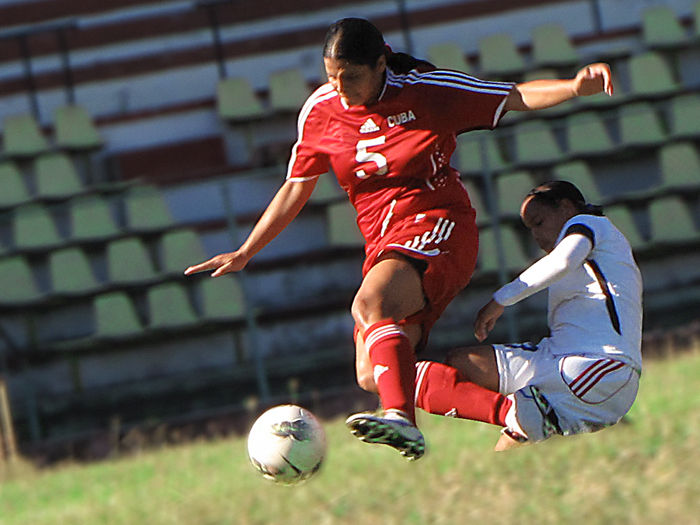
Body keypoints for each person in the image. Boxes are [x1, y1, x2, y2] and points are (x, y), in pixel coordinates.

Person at [185, 17, 615, 460]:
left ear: (380, 64)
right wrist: (245, 251)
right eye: (331, 75)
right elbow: (297, 185)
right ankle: (520, 413)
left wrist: (573, 87)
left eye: (350, 76)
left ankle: (401, 419)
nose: (340, 86)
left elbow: (513, 95)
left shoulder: (425, 90)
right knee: (374, 372)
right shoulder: (320, 111)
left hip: (439, 222)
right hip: (384, 242)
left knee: (371, 304)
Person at [414, 181, 642, 451]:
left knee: (525, 436)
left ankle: (588, 423)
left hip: (602, 365)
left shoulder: (590, 223)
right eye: (529, 229)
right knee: (461, 363)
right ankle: (526, 417)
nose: (536, 235)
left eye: (539, 222)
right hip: (559, 359)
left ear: (567, 207)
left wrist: (500, 299)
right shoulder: (595, 251)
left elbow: (562, 262)